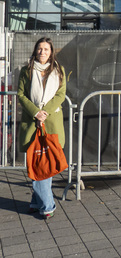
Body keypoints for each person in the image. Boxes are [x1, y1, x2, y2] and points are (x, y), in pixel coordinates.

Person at [17, 37, 67, 219]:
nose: (42, 52)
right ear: (35, 51)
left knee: (44, 161)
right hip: (32, 123)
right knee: (37, 160)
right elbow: (21, 95)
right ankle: (45, 204)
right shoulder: (26, 70)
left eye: (46, 49)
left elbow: (61, 94)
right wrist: (35, 113)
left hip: (51, 122)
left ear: (51, 51)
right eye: (39, 49)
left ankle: (40, 203)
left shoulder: (58, 70)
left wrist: (43, 112)